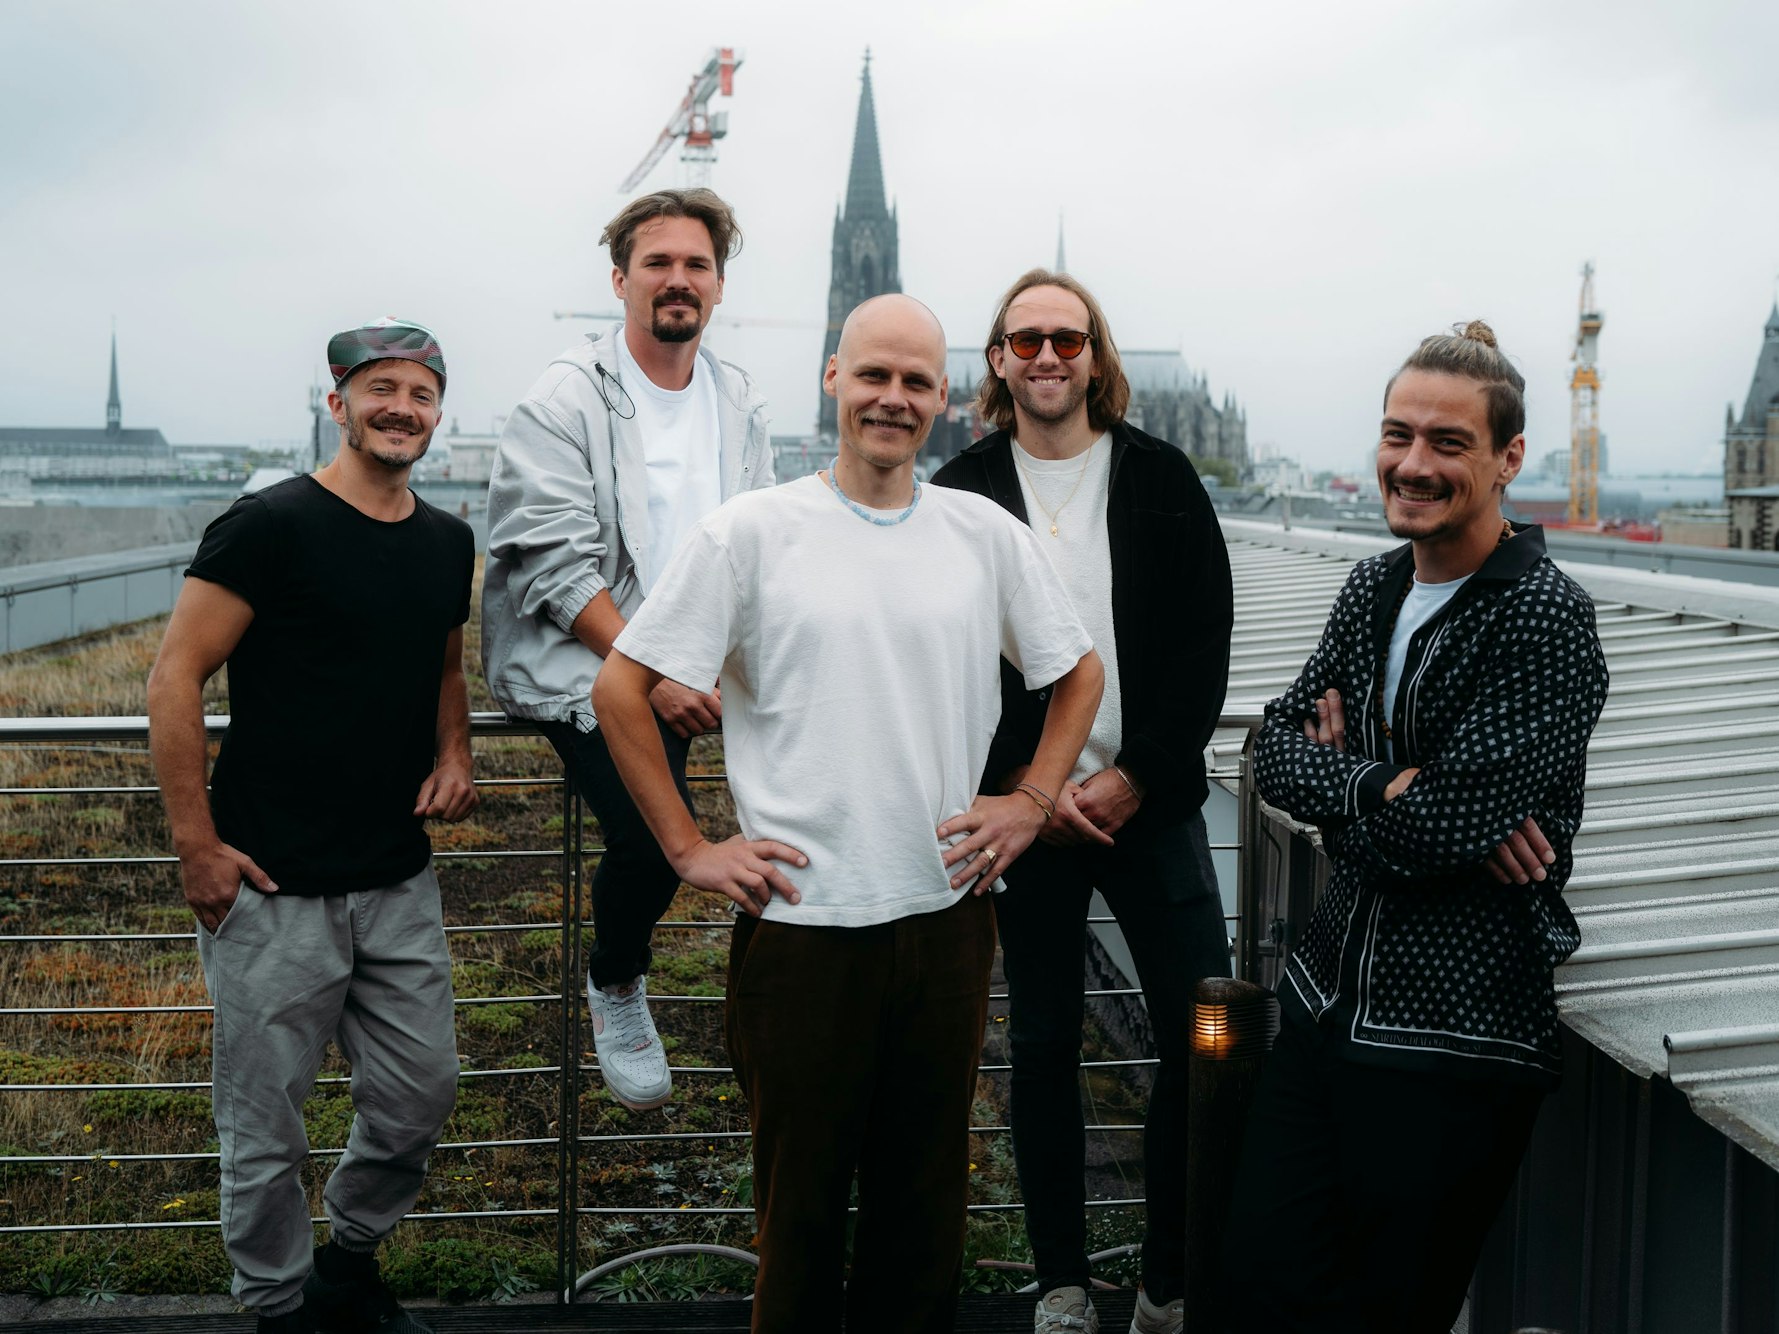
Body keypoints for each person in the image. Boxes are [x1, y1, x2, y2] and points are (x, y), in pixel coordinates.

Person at [592, 294, 1105, 1333]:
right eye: (873, 374)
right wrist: (687, 847)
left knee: (925, 1218)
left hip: (946, 918)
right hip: (803, 927)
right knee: (800, 1218)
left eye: (916, 381)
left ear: (946, 395)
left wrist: (1031, 799)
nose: (892, 398)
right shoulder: (751, 532)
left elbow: (1078, 671)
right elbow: (620, 689)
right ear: (833, 376)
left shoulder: (981, 532)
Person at [1221, 321, 1610, 1333]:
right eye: (1398, 435)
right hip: (1322, 1003)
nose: (1413, 463)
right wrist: (1386, 785)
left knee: (1385, 1314)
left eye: (1448, 442)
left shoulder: (1543, 618)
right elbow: (1272, 752)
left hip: (1452, 1037)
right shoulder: (1374, 584)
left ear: (1508, 458)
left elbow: (1439, 826)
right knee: (1254, 1290)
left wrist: (1357, 802)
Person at [147, 318, 476, 1334]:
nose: (401, 409)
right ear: (338, 404)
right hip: (270, 883)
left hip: (396, 878)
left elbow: (444, 664)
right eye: (381, 389)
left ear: (437, 412)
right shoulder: (268, 524)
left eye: (420, 394)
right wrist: (198, 848)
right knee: (264, 1129)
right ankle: (280, 1306)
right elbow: (174, 676)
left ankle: (347, 1260)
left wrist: (455, 752)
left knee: (422, 1091)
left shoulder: (447, 541)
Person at [932, 269, 1234, 1334]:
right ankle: (1061, 1281)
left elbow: (1202, 647)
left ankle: (1166, 1279)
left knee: (1206, 1038)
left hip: (1150, 805)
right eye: (1026, 341)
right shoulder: (961, 488)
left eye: (1067, 339)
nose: (1048, 357)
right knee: (1042, 1048)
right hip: (1027, 821)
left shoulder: (1161, 475)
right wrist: (1032, 788)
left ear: (1095, 354)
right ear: (998, 361)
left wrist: (1134, 773)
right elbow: (947, 662)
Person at [482, 188, 774, 1111]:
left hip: (704, 660)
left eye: (696, 265)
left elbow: (759, 539)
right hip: (587, 660)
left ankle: (796, 996)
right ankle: (615, 979)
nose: (677, 279)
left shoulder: (737, 398)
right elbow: (556, 567)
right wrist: (656, 672)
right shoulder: (563, 398)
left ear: (718, 285)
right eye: (657, 263)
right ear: (619, 281)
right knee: (653, 840)